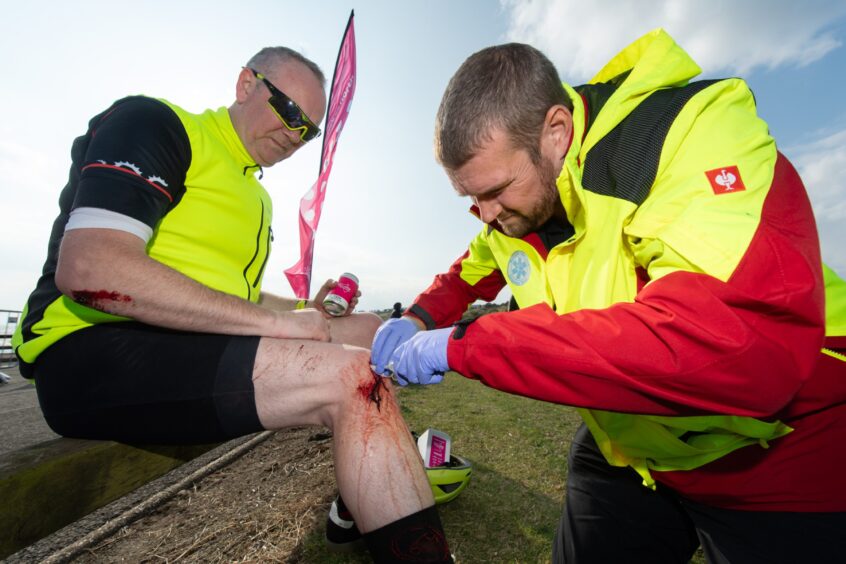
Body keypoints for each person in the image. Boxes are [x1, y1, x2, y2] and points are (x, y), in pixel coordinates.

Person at [371, 29, 846, 563]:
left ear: (556, 132)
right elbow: (470, 270)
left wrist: (462, 346)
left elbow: (731, 346)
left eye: (494, 190)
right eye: (470, 197)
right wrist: (416, 318)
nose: (484, 214)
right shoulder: (517, 209)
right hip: (632, 445)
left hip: (780, 454)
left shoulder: (685, 134)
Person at [12, 47, 452, 563]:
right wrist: (278, 325)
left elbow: (235, 299)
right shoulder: (157, 123)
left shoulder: (257, 196)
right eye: (290, 112)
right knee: (352, 377)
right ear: (247, 83)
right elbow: (91, 269)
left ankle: (357, 503)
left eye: (309, 130)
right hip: (89, 350)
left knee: (370, 331)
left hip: (188, 347)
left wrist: (304, 308)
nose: (296, 135)